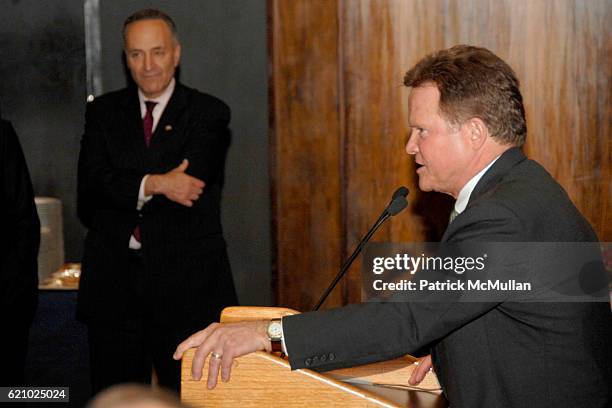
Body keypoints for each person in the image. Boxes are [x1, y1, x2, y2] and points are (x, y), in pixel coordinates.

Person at [174, 45, 611, 407]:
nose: (410, 146)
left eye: (422, 130)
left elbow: (406, 318)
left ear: (475, 132)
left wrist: (266, 334)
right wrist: (450, 355)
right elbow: (502, 308)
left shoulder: (504, 217)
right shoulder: (521, 190)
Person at [77, 9, 237, 394]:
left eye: (158, 52)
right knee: (113, 397)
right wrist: (157, 182)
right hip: (114, 287)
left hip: (187, 289)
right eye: (136, 54)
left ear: (176, 54)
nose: (147, 65)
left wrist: (125, 181)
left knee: (192, 396)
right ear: (125, 58)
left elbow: (189, 187)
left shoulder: (209, 113)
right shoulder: (102, 113)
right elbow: (89, 192)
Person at [0, 118, 40, 386]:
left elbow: (24, 219)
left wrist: (11, 291)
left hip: (6, 300)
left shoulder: (2, 134)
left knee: (9, 392)